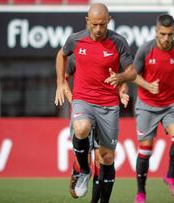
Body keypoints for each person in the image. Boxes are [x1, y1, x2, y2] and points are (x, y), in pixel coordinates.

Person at [54, 3, 137, 203]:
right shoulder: (76, 39)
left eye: (102, 24)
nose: (98, 29)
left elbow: (132, 71)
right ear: (87, 21)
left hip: (108, 105)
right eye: (94, 24)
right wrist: (60, 84)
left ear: (109, 20)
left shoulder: (119, 42)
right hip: (83, 100)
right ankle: (83, 170)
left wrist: (121, 78)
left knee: (107, 158)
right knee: (80, 128)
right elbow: (61, 55)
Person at [132, 14, 174, 203]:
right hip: (146, 105)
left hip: (170, 104)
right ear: (156, 32)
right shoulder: (145, 50)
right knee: (146, 149)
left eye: (169, 34)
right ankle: (141, 192)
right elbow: (132, 74)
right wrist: (147, 85)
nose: (166, 38)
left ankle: (170, 176)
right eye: (162, 34)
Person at [63, 55, 130, 203]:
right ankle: (78, 170)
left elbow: (123, 81)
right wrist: (72, 99)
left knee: (102, 160)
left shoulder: (113, 55)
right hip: (84, 110)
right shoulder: (76, 56)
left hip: (105, 110)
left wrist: (122, 91)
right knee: (84, 161)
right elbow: (63, 78)